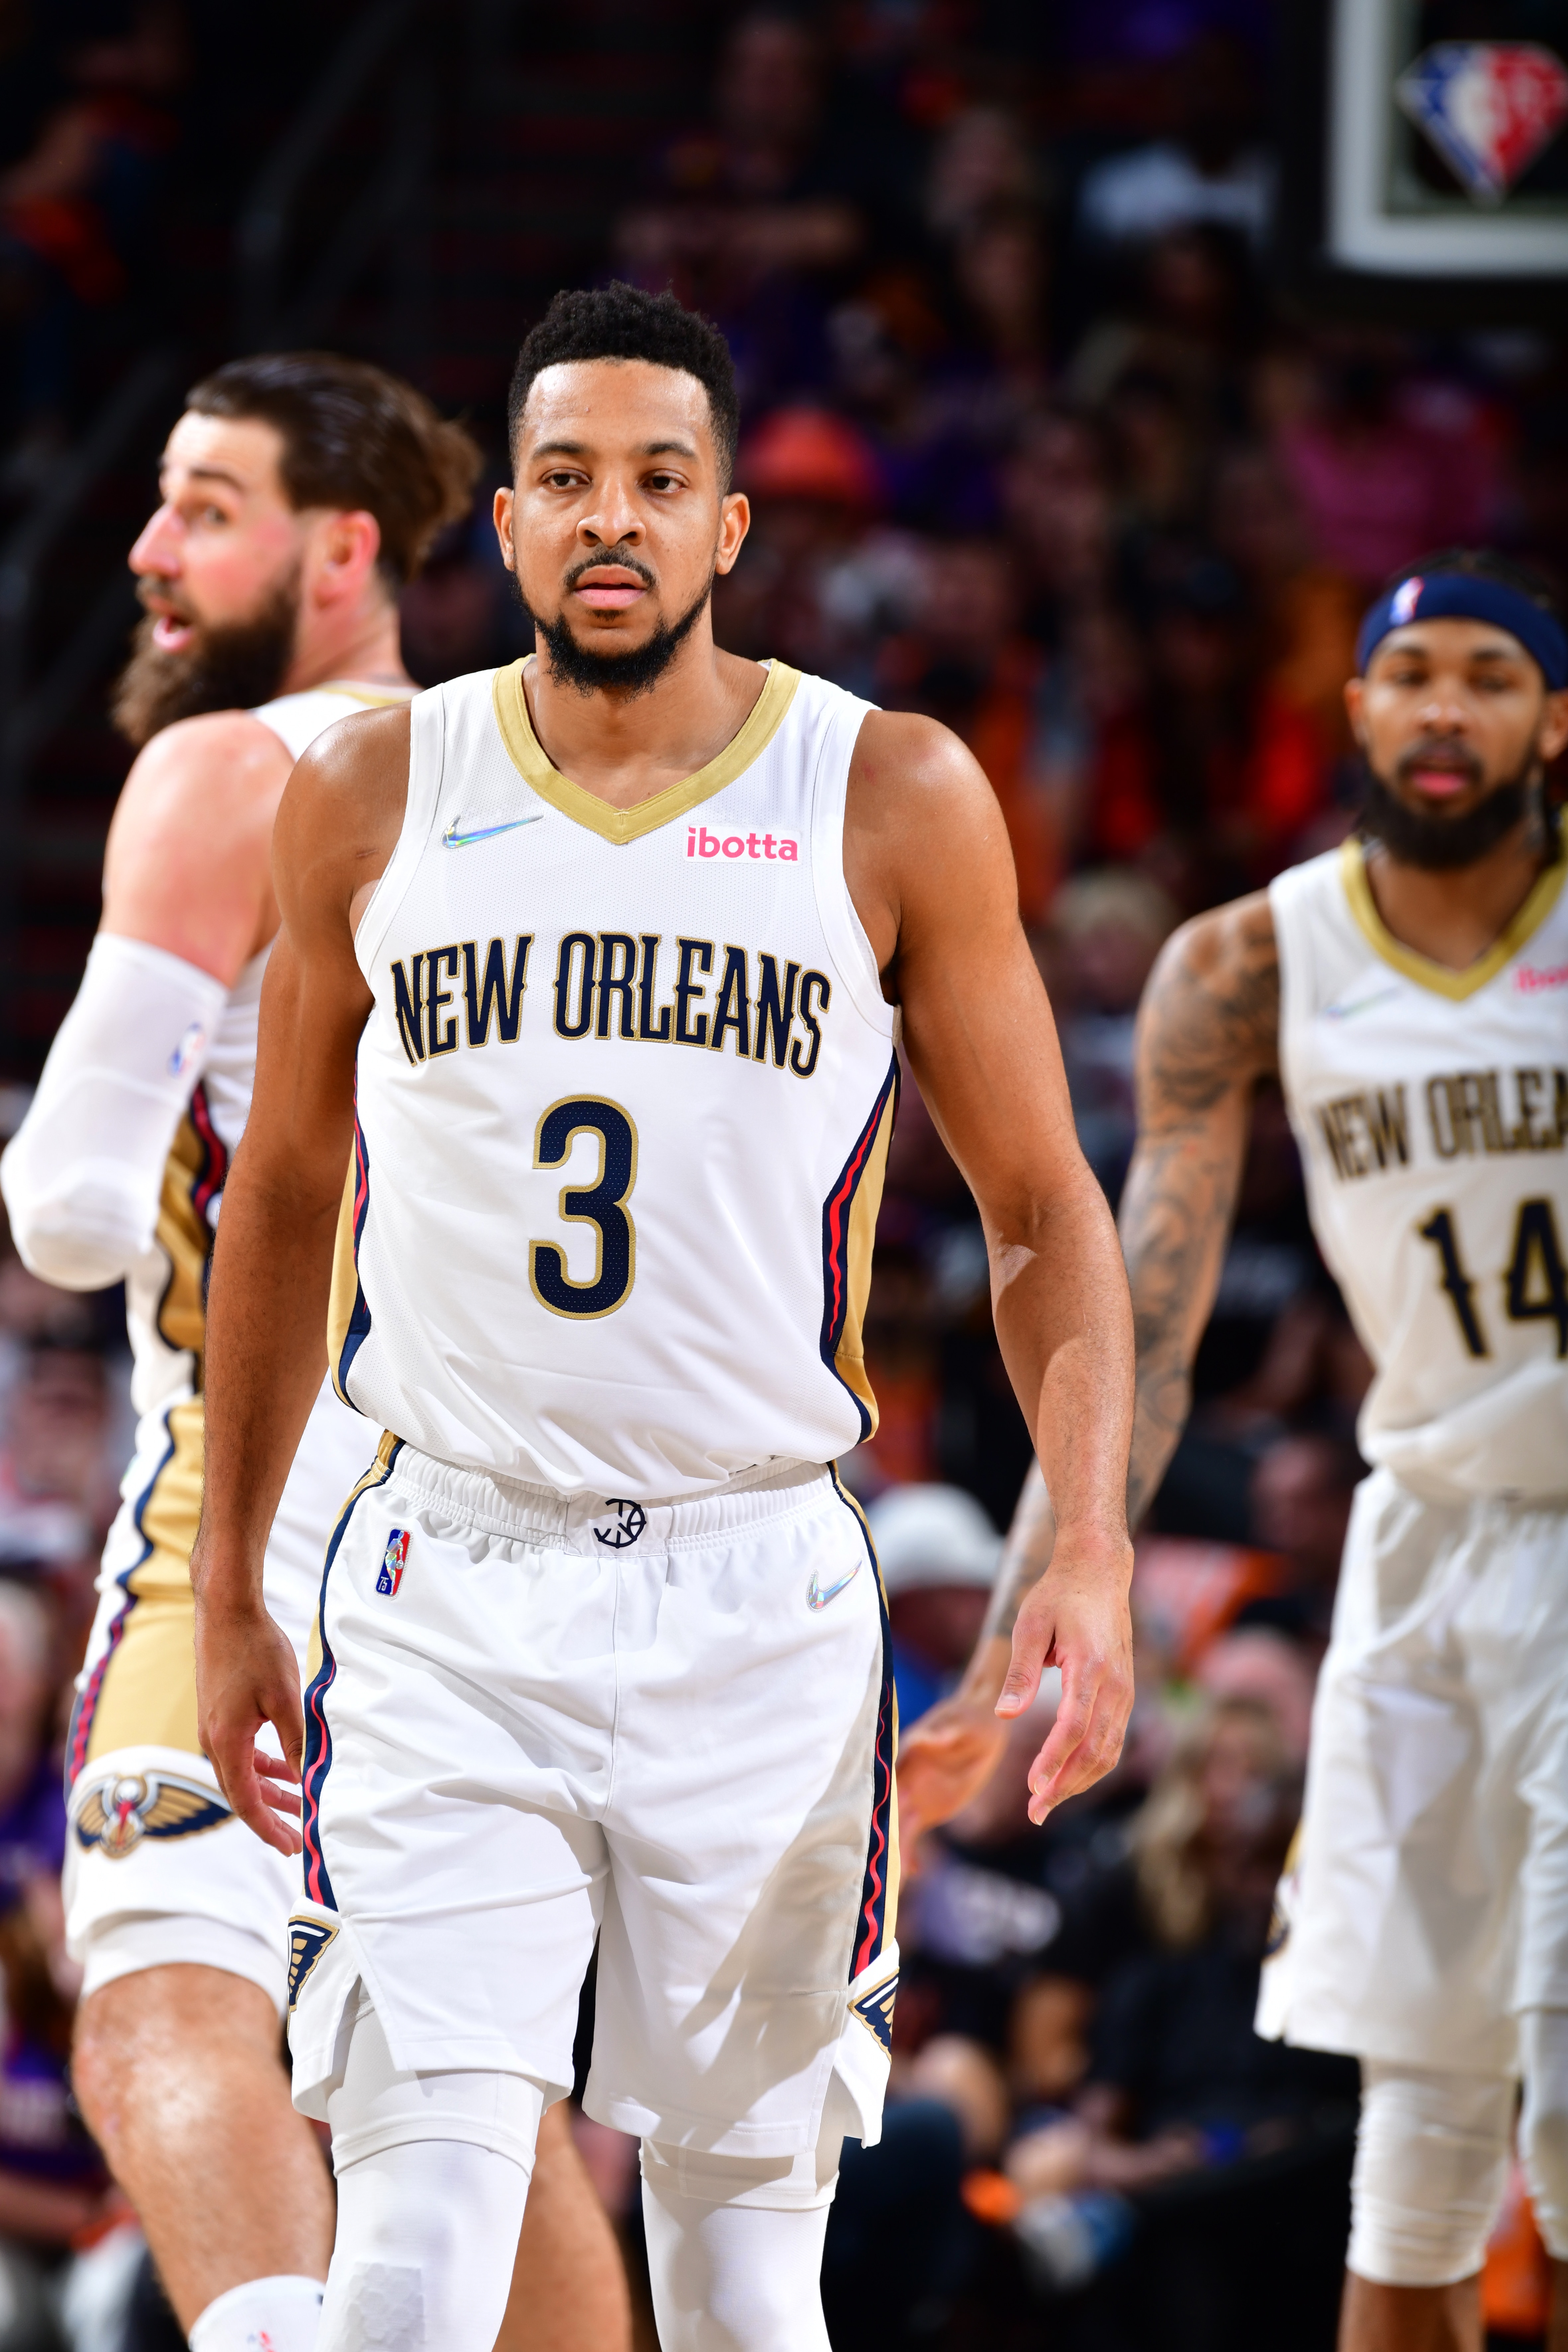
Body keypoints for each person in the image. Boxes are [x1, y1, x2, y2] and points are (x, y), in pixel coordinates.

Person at [189, 281, 1137, 2352]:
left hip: (755, 1594)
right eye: (564, 478)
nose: (608, 517)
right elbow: (278, 1199)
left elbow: (1041, 1210)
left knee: (741, 2287)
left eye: (656, 479)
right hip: (447, 1582)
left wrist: (1086, 1540)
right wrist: (230, 1575)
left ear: (727, 525)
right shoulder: (375, 788)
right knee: (409, 2270)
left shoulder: (886, 789)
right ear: (506, 524)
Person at [0, 353, 629, 2352]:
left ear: (343, 551)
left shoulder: (232, 768)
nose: (147, 549)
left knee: (161, 1992)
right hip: (536, 1519)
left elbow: (71, 1202)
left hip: (276, 1482)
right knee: (466, 2092)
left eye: (206, 510)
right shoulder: (561, 794)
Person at [908, 547, 1568, 2352]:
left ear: (1553, 726)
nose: (1445, 709)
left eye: (1490, 678)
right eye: (1411, 674)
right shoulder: (1247, 963)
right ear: (1354, 709)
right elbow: (1144, 1326)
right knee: (1413, 2130)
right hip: (1427, 1544)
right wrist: (1006, 1651)